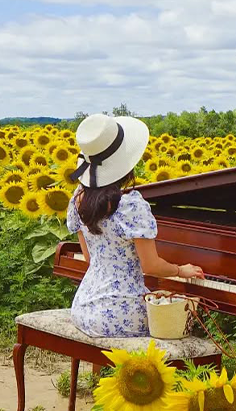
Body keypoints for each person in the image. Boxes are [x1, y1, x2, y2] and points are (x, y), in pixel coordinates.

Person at [65, 113, 205, 337]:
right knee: (174, 327)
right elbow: (151, 266)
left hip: (84, 308)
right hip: (122, 314)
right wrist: (180, 270)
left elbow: (90, 258)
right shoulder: (131, 205)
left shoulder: (79, 198)